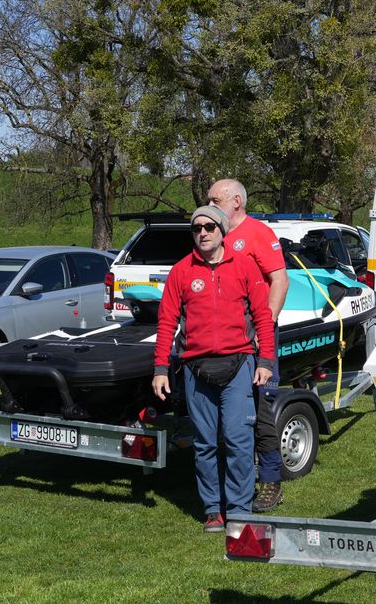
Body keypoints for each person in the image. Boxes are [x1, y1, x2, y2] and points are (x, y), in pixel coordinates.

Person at [152, 205, 275, 532]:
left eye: (209, 227)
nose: (203, 233)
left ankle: (239, 509)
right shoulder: (181, 271)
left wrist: (266, 361)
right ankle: (212, 510)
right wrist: (160, 368)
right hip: (196, 369)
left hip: (239, 365)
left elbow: (263, 316)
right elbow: (166, 322)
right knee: (205, 443)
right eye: (197, 228)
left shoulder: (245, 266)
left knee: (238, 441)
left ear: (222, 231)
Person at [207, 179, 289, 513]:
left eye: (215, 200)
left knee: (261, 406)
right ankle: (233, 479)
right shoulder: (216, 234)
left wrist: (264, 325)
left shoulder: (258, 233)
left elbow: (280, 279)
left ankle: (270, 482)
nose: (210, 206)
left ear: (236, 201)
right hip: (225, 339)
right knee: (229, 410)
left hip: (255, 334)